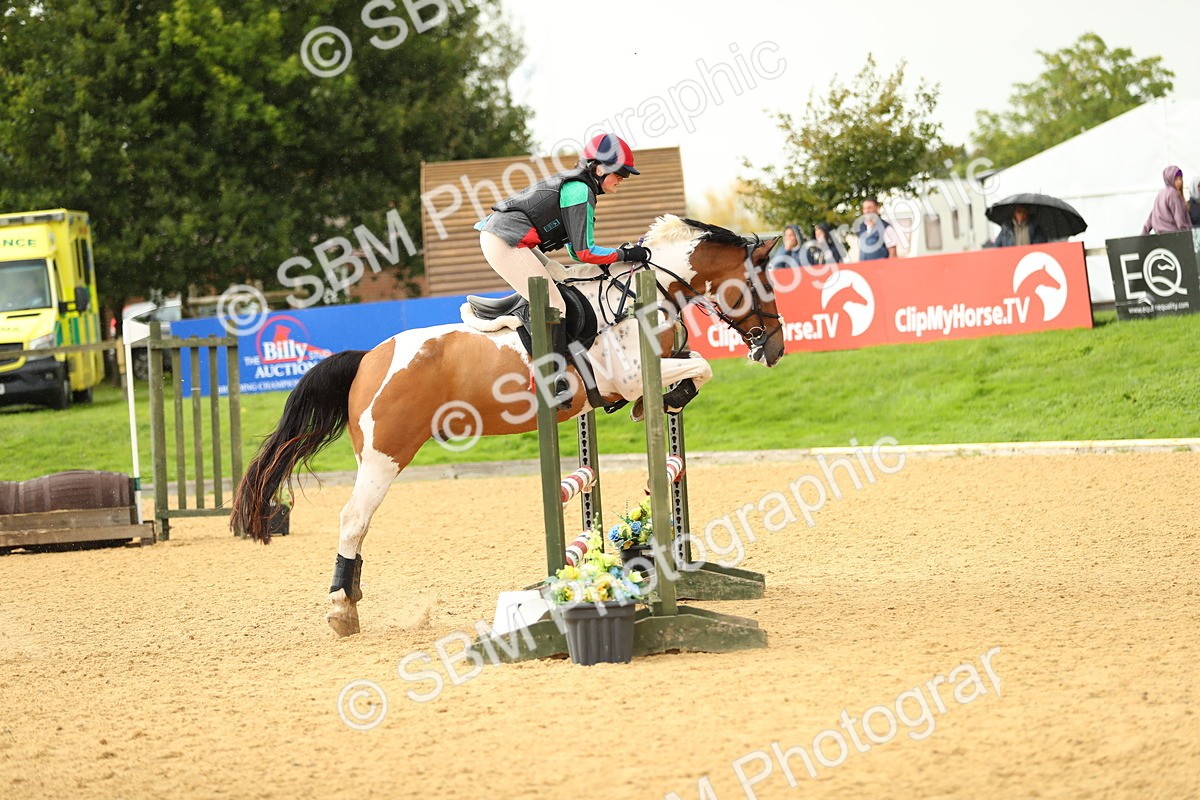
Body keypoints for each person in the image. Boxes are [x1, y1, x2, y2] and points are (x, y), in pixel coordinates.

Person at [475, 132, 647, 408]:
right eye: (620, 174)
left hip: (509, 238)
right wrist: (625, 254)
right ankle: (553, 379)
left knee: (560, 274)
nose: (622, 180)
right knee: (554, 304)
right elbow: (585, 253)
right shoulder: (580, 191)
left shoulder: (579, 189)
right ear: (599, 169)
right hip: (504, 240)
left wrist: (618, 256)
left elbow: (572, 251)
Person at [1141, 165, 1192, 235]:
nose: (1179, 182)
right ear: (1170, 179)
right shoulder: (1173, 194)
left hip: (1160, 237)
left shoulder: (1160, 194)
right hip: (1175, 236)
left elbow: (1152, 216)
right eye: (1176, 179)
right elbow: (1179, 218)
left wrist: (1144, 233)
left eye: (1180, 179)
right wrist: (1186, 234)